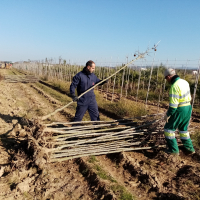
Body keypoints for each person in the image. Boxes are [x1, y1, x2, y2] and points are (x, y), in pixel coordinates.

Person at [163, 68, 195, 155]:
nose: (166, 80)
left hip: (180, 109)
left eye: (166, 78)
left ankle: (173, 150)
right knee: (183, 130)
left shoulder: (174, 86)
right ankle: (190, 149)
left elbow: (173, 106)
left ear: (169, 76)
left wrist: (168, 114)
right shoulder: (184, 82)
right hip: (188, 107)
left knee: (168, 129)